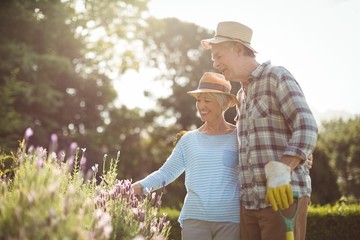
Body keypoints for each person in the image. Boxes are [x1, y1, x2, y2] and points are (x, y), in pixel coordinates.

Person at [201, 21, 318, 240]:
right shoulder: (242, 96)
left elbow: (306, 127)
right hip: (249, 204)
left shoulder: (276, 77)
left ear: (238, 48)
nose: (215, 64)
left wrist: (286, 166)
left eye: (218, 56)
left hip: (282, 197)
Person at [131, 72, 241, 240]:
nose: (201, 105)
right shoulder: (189, 140)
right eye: (198, 100)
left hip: (230, 220)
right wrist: (135, 188)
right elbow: (165, 173)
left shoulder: (239, 136)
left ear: (224, 103)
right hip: (194, 219)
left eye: (207, 100)